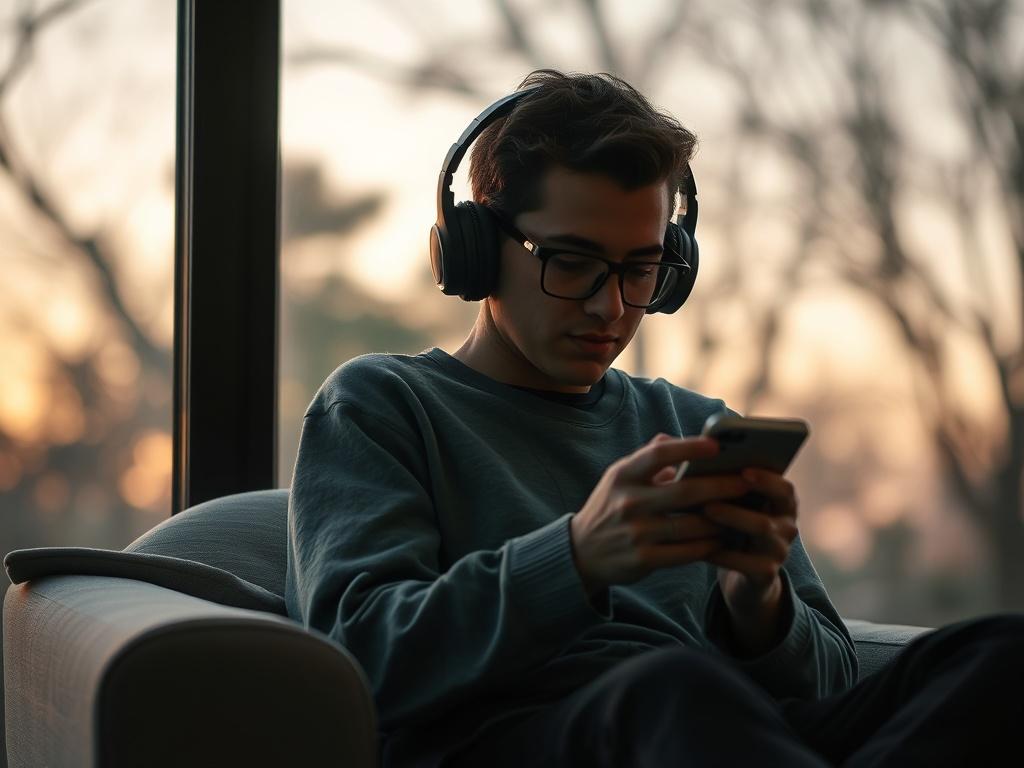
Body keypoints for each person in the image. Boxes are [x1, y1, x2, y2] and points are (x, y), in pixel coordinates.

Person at [285, 70, 1022, 767]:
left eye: (640, 270)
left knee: (1000, 658)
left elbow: (832, 684)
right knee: (670, 690)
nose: (610, 307)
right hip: (531, 739)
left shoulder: (695, 424)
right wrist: (576, 557)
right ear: (475, 249)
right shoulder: (382, 405)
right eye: (571, 261)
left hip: (718, 732)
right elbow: (352, 664)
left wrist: (758, 604)